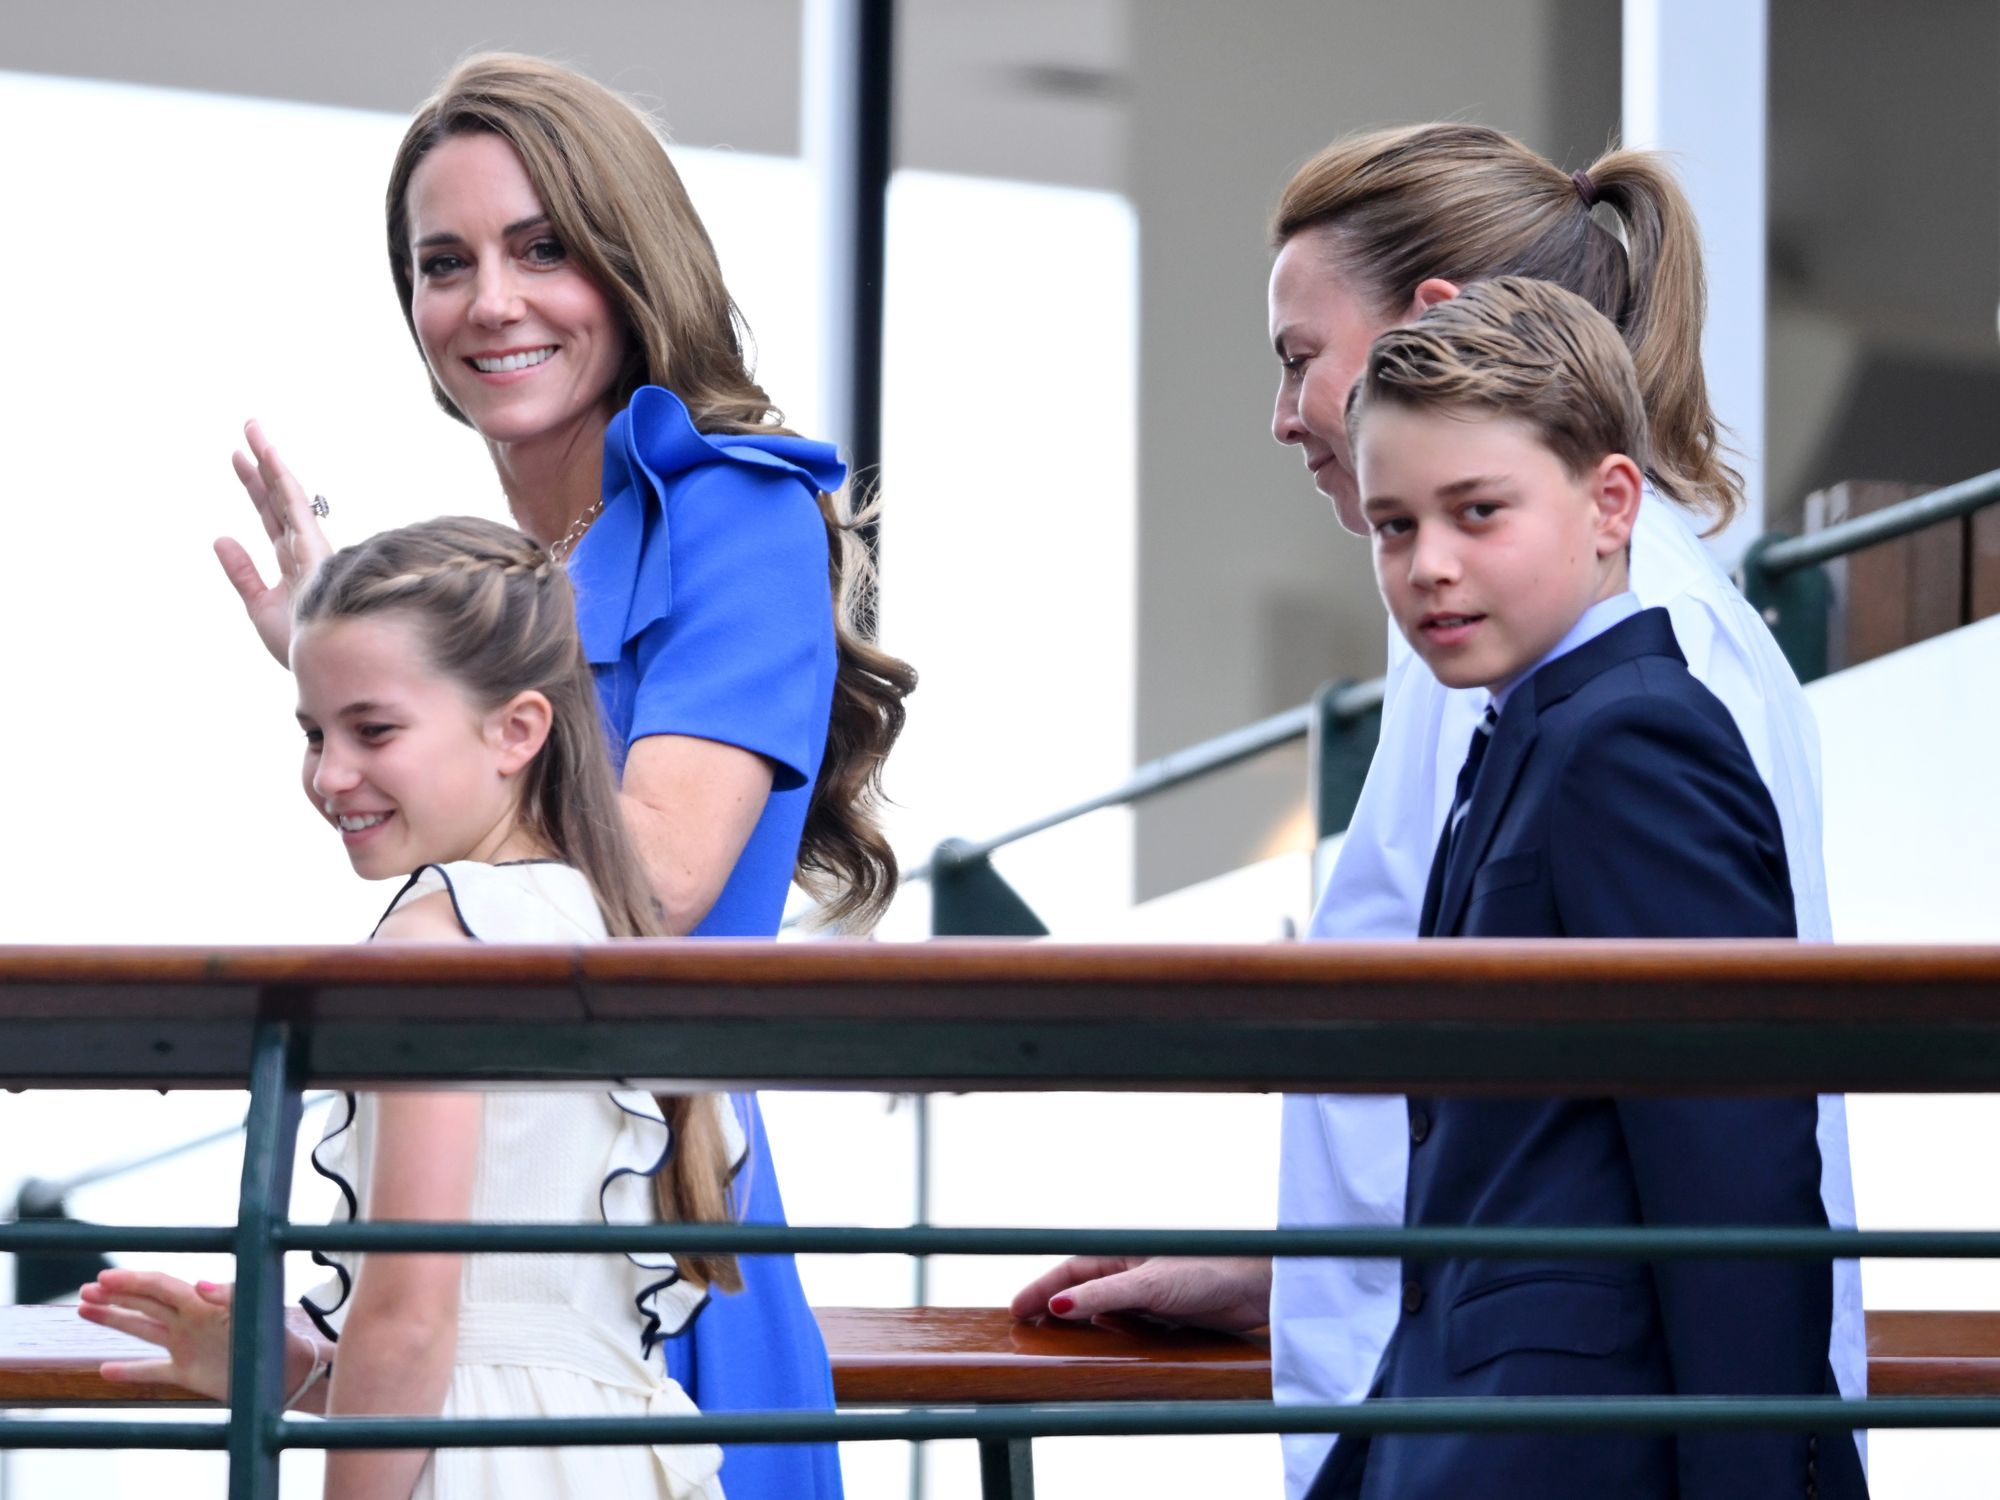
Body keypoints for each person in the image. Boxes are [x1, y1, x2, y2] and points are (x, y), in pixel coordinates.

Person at [1009, 123, 1861, 1496]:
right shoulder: (1508, 669)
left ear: (1433, 330)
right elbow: (1520, 1122)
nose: (1286, 416)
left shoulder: (1637, 687)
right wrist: (1288, 1271)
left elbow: (1730, 1163)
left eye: (1300, 357)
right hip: (1452, 1408)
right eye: (1409, 529)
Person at [212, 55, 914, 1499]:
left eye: (544, 247)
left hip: (646, 1238)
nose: (491, 301)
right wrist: (376, 688)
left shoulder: (731, 501)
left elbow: (653, 874)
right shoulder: (514, 576)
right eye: (443, 262)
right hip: (503, 1245)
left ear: (630, 257)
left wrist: (432, 710)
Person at [1303, 276, 1864, 1500]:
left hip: (1582, 1449)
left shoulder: (1631, 738)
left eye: (1477, 512)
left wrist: (1760, 1484)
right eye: (1394, 526)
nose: (1428, 567)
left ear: (1611, 503)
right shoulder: (1523, 737)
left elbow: (1733, 1163)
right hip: (1487, 1426)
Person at [83, 516, 746, 1499]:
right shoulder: (595, 925)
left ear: (517, 731)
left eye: (373, 730)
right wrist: (301, 1370)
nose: (329, 775)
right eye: (314, 733)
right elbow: (504, 1341)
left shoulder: (439, 939)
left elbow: (414, 1318)